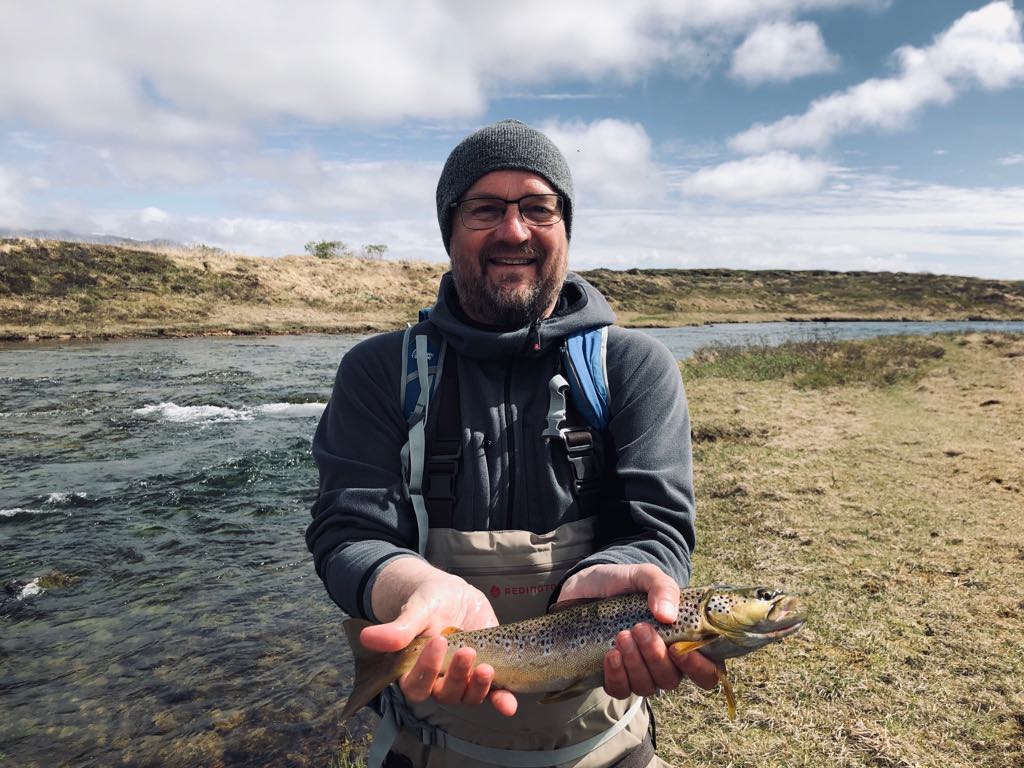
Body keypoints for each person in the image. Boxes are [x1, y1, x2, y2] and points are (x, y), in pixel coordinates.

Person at [307, 119, 717, 768]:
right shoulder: (380, 372)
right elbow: (345, 535)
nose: (514, 230)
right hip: (428, 749)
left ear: (566, 227)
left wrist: (629, 579)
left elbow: (660, 531)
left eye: (538, 207)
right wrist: (406, 584)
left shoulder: (633, 368)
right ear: (449, 231)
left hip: (607, 749)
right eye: (485, 209)